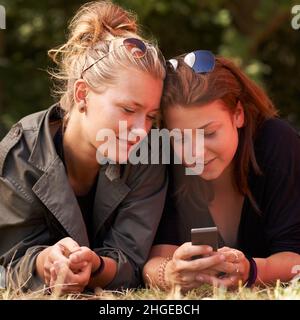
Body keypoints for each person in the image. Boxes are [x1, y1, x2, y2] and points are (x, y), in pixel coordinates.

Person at [0, 1, 167, 294]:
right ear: (82, 94)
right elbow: (11, 258)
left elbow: (131, 258)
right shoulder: (20, 153)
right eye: (128, 109)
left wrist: (97, 267)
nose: (141, 130)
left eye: (150, 116)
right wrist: (45, 263)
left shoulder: (148, 155)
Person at [143, 50, 300, 292]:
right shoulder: (165, 158)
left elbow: (295, 258)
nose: (196, 152)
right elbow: (154, 261)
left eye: (208, 133)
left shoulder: (277, 143)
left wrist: (252, 271)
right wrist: (170, 273)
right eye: (181, 138)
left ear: (238, 114)